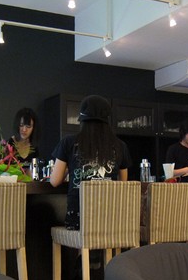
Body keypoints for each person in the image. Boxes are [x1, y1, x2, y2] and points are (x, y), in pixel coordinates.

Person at [50, 95, 132, 230]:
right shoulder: (120, 146)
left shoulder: (68, 142)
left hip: (78, 221)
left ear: (82, 119)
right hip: (110, 221)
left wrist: (70, 167)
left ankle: (81, 246)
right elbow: (123, 185)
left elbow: (54, 181)